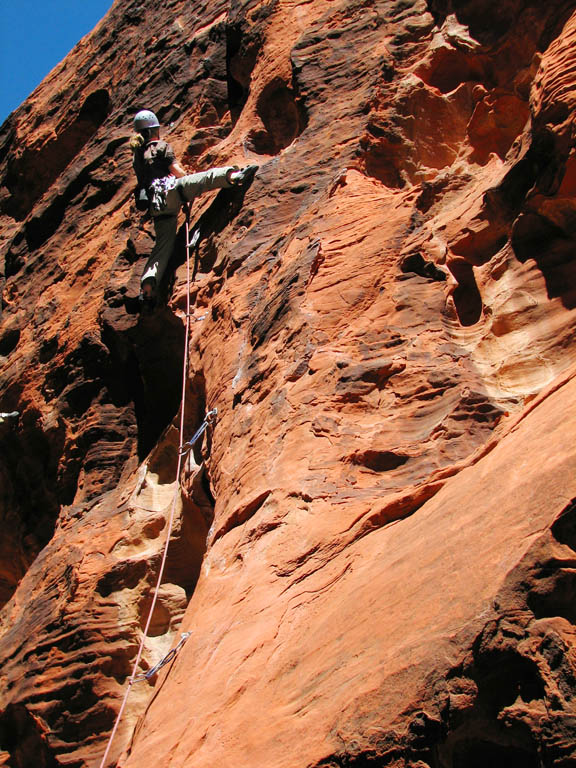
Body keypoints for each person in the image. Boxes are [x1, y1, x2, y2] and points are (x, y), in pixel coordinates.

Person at [130, 109, 257, 307]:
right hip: (170, 191)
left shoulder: (137, 157)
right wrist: (187, 178)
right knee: (202, 180)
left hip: (156, 207)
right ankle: (233, 176)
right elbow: (178, 172)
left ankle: (147, 287)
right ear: (154, 130)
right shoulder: (160, 147)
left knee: (162, 247)